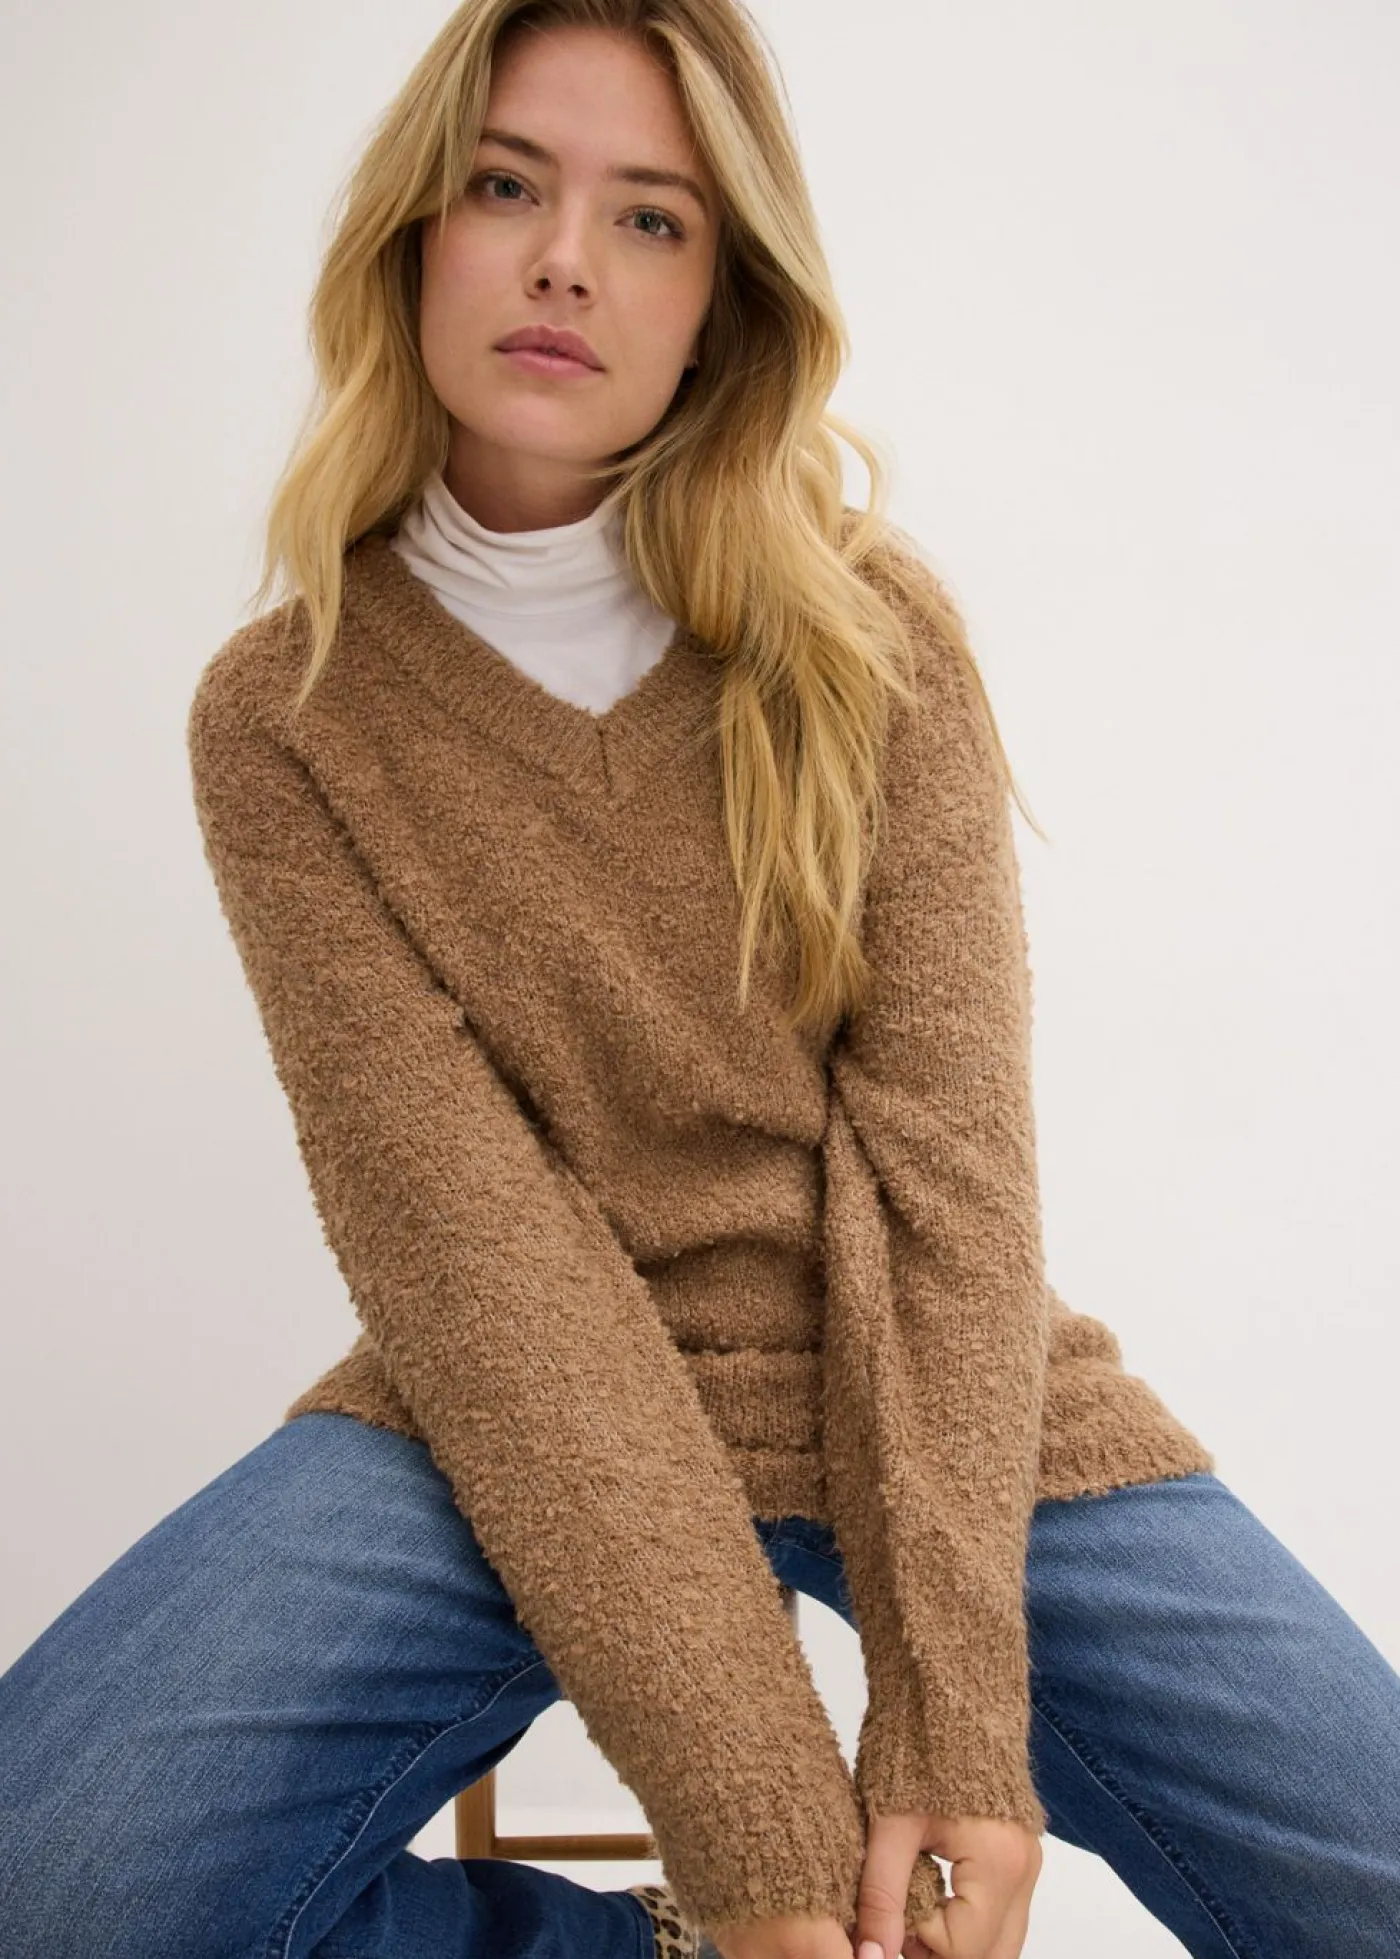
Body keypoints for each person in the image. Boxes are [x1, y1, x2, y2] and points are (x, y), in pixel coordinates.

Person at [2, 3, 1398, 1957]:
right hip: (516, 1395)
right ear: (412, 234)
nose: (567, 259)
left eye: (650, 217)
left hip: (921, 1377)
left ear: (718, 302)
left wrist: (953, 1723)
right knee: (53, 1886)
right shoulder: (284, 715)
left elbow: (950, 1180)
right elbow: (476, 1255)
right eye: (507, 186)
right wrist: (757, 1866)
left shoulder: (866, 634)